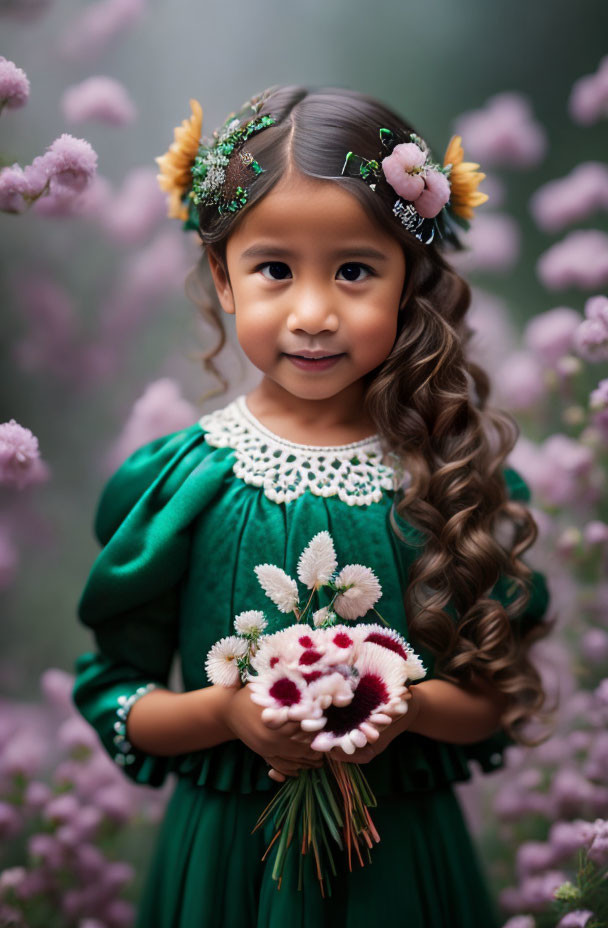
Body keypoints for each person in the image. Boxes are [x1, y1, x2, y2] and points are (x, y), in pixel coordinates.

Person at [72, 84, 555, 928]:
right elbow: (119, 695)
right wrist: (225, 712)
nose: (313, 313)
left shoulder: (444, 478)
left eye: (355, 270)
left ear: (411, 279)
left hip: (400, 866)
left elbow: (492, 697)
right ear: (223, 278)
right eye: (274, 270)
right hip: (227, 868)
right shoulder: (184, 483)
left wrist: (405, 707)